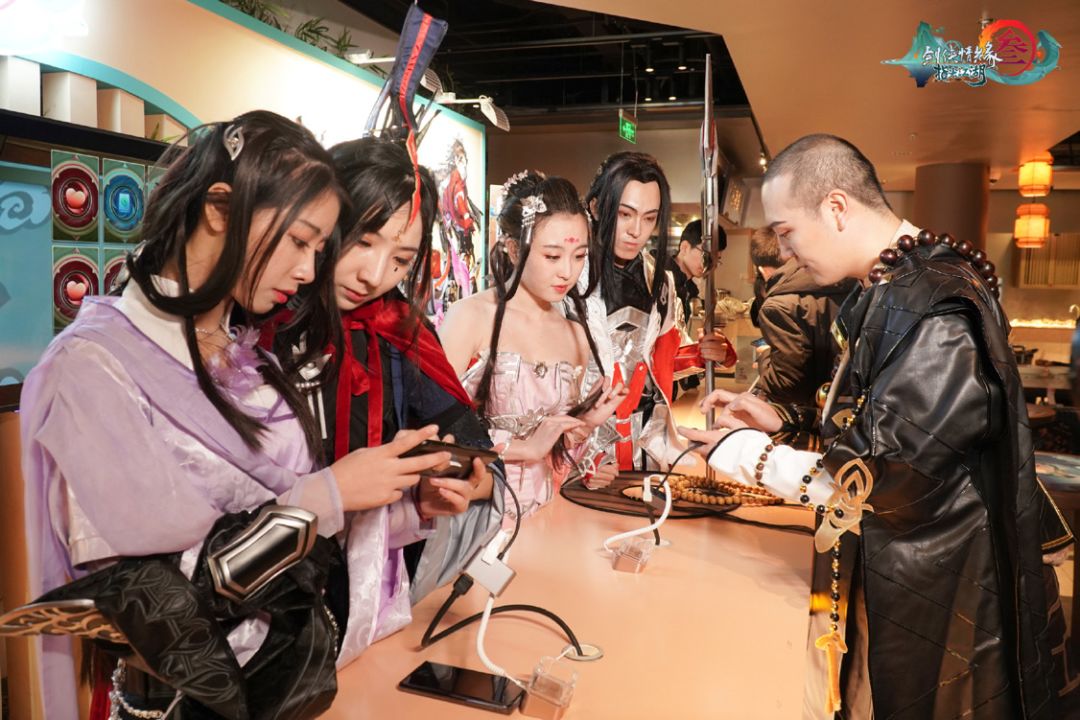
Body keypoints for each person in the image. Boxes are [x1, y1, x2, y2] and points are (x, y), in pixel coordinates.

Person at [17, 112, 454, 718]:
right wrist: (327, 495)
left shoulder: (248, 352)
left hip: (291, 684)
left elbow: (292, 526)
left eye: (319, 249)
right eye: (299, 241)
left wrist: (404, 503)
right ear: (220, 209)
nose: (309, 270)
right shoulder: (92, 369)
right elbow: (147, 606)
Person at [683, 134, 1074, 719]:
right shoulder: (900, 286)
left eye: (787, 231)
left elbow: (892, 473)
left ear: (836, 207)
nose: (785, 252)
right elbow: (888, 422)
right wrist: (785, 418)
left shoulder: (932, 306)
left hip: (948, 586)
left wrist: (749, 454)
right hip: (926, 569)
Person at [274, 136, 505, 663]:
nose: (375, 276)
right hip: (262, 605)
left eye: (401, 260)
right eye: (362, 242)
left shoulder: (399, 329)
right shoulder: (261, 323)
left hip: (360, 605)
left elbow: (482, 462)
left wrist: (453, 485)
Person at [440, 171, 626, 525]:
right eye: (553, 256)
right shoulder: (471, 317)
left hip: (547, 517)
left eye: (579, 256)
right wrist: (525, 447)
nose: (567, 272)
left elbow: (557, 458)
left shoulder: (575, 334)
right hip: (473, 516)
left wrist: (584, 427)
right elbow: (433, 432)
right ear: (513, 249)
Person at [580, 151, 734, 472]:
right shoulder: (566, 274)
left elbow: (658, 359)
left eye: (649, 218)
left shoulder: (659, 282)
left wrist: (705, 353)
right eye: (625, 214)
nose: (636, 230)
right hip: (579, 442)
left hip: (644, 440)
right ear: (596, 207)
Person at [749, 226, 855, 407]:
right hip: (853, 405)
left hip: (811, 411)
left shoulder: (779, 305)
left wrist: (765, 356)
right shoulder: (849, 281)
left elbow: (787, 386)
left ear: (763, 270)